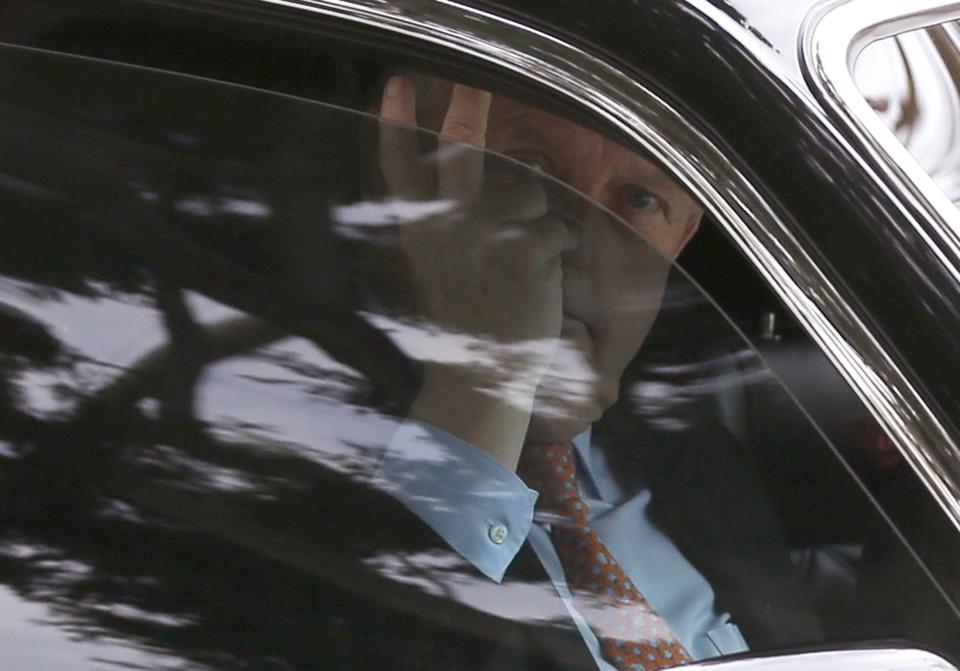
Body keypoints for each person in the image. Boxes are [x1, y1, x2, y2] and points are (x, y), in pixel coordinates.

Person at [367, 74, 822, 671]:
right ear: (405, 187)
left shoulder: (693, 451)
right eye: (525, 167)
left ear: (681, 239)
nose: (573, 236)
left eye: (638, 199)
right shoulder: (277, 442)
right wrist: (484, 381)